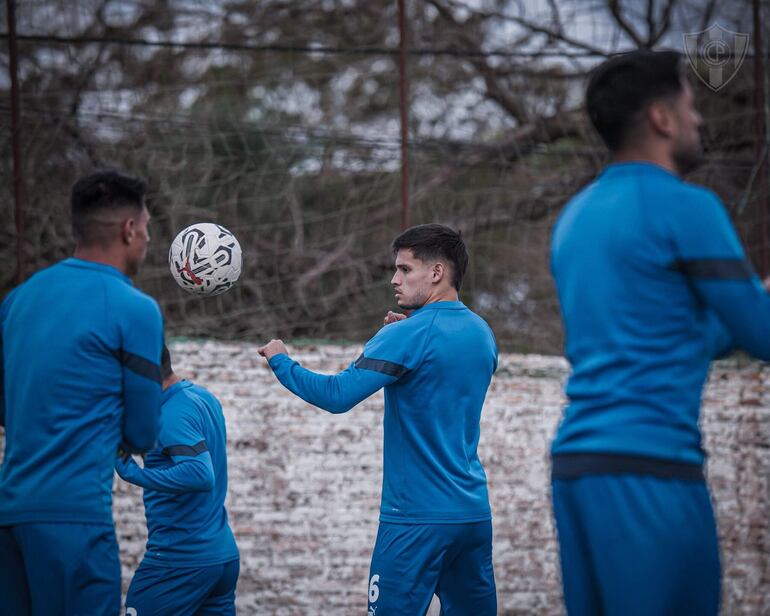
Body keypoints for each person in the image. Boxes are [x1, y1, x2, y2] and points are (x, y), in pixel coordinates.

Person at [550, 49, 770, 616]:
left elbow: (670, 339)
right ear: (662, 118)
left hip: (577, 470)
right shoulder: (687, 207)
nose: (699, 121)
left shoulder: (574, 217)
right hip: (650, 471)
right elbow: (762, 335)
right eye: (692, 106)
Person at [259, 223, 498, 615]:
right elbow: (439, 373)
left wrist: (281, 360)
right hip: (472, 515)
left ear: (436, 272)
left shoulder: (407, 335)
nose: (394, 279)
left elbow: (337, 396)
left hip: (414, 520)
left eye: (405, 269)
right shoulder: (482, 332)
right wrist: (410, 335)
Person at [0, 170, 164, 614]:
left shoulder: (17, 300)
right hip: (74, 522)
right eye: (147, 227)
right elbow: (144, 431)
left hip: (9, 518)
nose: (148, 239)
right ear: (129, 230)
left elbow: (7, 409)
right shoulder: (136, 308)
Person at [116, 346, 240, 615]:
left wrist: (134, 474)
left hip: (179, 561)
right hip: (220, 557)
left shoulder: (170, 413)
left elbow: (200, 473)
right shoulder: (202, 397)